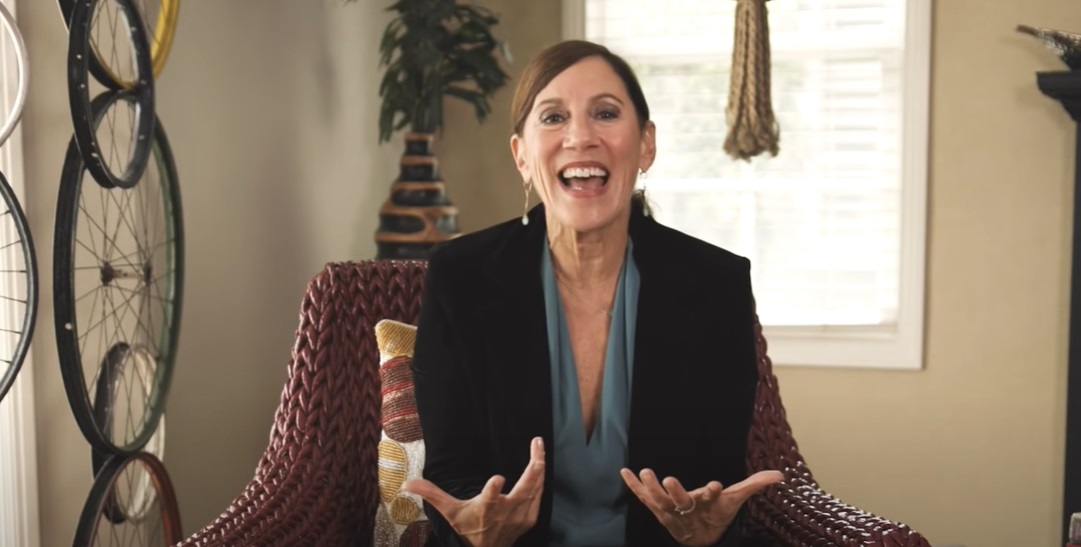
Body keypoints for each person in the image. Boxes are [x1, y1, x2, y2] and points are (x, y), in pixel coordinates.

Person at [403, 39, 784, 547]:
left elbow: (717, 478)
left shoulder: (717, 283)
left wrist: (710, 530)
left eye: (605, 113)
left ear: (645, 144)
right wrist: (474, 529)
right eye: (553, 117)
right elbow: (451, 472)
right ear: (521, 155)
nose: (580, 137)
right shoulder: (460, 276)